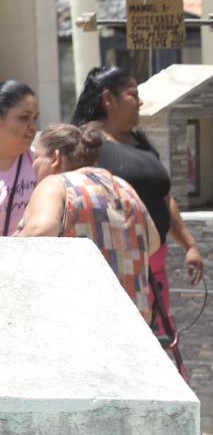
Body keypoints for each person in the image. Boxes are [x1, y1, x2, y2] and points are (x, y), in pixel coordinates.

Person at [71, 66, 205, 341]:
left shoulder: (141, 143)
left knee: (159, 339)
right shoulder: (87, 143)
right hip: (115, 266)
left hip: (154, 266)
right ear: (109, 99)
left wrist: (189, 245)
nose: (140, 102)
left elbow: (164, 197)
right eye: (133, 94)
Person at [19, 124, 159, 321]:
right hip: (134, 327)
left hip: (79, 324)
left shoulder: (55, 185)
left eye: (37, 157)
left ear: (56, 158)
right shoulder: (124, 187)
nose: (33, 165)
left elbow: (37, 234)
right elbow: (152, 242)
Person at [1, 81, 40, 237]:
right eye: (24, 118)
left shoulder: (40, 163)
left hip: (26, 259)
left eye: (35, 118)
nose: (33, 127)